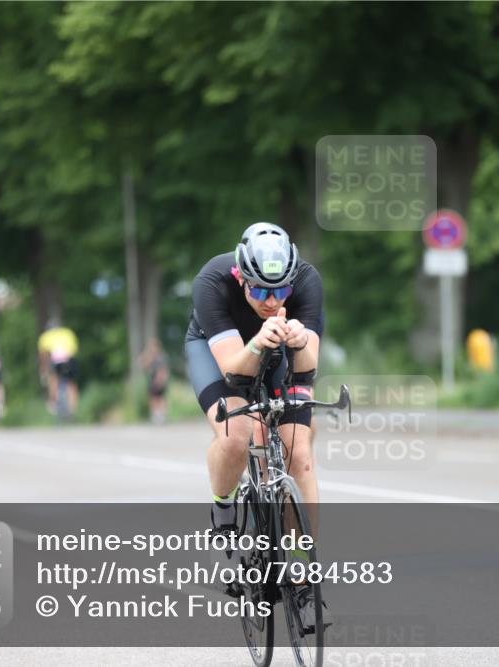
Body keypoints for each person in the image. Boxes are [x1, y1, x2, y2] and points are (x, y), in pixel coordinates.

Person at [184, 222, 326, 629]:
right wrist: (261, 340)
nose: (271, 300)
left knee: (299, 454)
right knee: (239, 435)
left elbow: (310, 365)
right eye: (261, 291)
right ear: (241, 277)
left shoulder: (306, 282)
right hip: (219, 352)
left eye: (280, 291)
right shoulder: (212, 281)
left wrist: (298, 342)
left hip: (279, 349)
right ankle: (224, 508)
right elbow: (233, 371)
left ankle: (300, 572)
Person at [37, 319, 80, 419]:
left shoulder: (45, 336)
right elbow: (75, 350)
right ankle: (73, 408)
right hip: (69, 360)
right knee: (72, 383)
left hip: (56, 361)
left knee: (53, 379)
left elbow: (43, 356)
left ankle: (53, 402)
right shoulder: (68, 333)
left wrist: (43, 370)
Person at [140, 337, 170, 423]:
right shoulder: (151, 357)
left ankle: (162, 416)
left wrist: (161, 379)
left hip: (159, 380)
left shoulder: (161, 356)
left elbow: (164, 369)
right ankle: (156, 415)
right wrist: (147, 354)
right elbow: (142, 363)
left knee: (161, 398)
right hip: (152, 380)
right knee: (153, 398)